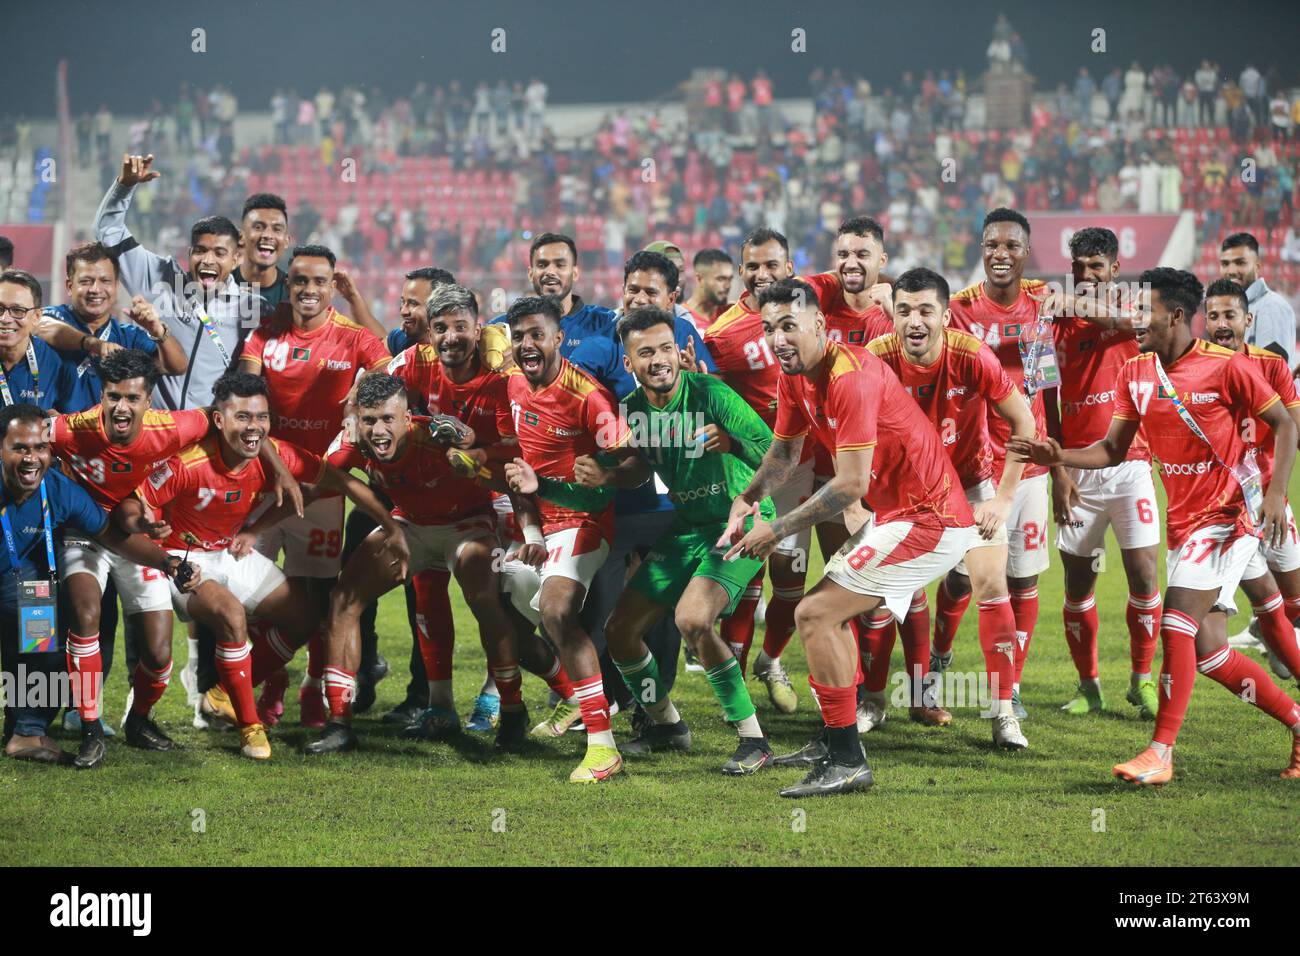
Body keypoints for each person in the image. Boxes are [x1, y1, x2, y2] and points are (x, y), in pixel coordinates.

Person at [1011, 268, 1300, 786]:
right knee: (1211, 651)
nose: (1134, 319)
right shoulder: (1137, 372)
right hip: (1186, 524)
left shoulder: (1226, 368)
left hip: (1231, 515)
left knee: (1177, 624)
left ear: (1175, 315)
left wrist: (1276, 495)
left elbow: (1283, 422)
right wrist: (1059, 455)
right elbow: (1113, 450)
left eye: (1143, 310)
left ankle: (1160, 752)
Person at [724, 278, 977, 797]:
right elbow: (783, 454)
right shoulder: (795, 377)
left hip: (931, 519)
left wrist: (776, 529)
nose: (778, 339)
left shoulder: (851, 376)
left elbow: (851, 484)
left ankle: (846, 758)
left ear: (820, 325)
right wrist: (747, 500)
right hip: (901, 517)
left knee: (814, 613)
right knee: (822, 615)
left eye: (789, 326)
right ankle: (834, 742)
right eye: (770, 328)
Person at [51, 350, 296, 764]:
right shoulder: (71, 428)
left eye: (132, 398)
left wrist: (281, 469)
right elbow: (24, 434)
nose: (121, 407)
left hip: (140, 544)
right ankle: (90, 728)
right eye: (113, 396)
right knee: (86, 610)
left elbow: (241, 416)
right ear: (102, 395)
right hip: (86, 535)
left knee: (160, 652)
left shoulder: (177, 425)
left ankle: (140, 720)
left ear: (150, 402)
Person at [571, 307, 778, 772]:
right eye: (646, 352)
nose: (660, 359)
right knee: (620, 633)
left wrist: (730, 440)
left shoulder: (711, 393)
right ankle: (666, 721)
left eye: (666, 348)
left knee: (692, 619)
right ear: (629, 364)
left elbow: (772, 450)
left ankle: (753, 739)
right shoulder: (634, 412)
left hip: (741, 520)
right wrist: (606, 474)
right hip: (688, 527)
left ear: (678, 352)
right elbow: (641, 466)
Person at [113, 373, 356, 759]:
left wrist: (391, 523)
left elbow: (337, 479)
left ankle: (221, 695)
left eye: (261, 417)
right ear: (219, 419)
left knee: (305, 615)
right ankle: (250, 727)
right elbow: (134, 500)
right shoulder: (185, 461)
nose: (254, 426)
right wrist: (144, 523)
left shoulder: (267, 450)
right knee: (228, 617)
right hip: (181, 557)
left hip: (228, 551)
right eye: (243, 416)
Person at [385, 284, 570, 738]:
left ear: (479, 327)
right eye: (440, 328)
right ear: (429, 333)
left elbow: (520, 444)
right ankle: (442, 706)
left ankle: (506, 699)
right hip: (443, 499)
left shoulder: (502, 369)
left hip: (503, 496)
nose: (451, 337)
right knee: (431, 594)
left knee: (501, 606)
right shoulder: (414, 363)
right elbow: (370, 396)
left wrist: (478, 451)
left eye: (461, 327)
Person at [866, 268, 1035, 747]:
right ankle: (875, 702)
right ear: (892, 315)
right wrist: (865, 501)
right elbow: (851, 431)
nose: (914, 321)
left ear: (944, 315)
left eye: (925, 311)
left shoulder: (971, 355)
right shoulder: (875, 359)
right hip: (904, 491)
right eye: (904, 311)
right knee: (885, 594)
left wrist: (1002, 498)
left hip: (970, 483)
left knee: (990, 582)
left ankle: (1004, 714)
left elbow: (1022, 419)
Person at [236, 244, 391, 727]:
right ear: (289, 284)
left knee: (317, 596)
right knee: (247, 591)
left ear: (331, 287)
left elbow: (390, 374)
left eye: (318, 282)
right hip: (262, 482)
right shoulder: (265, 334)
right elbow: (246, 401)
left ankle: (310, 688)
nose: (307, 290)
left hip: (322, 492)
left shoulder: (352, 336)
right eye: (299, 281)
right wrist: (278, 468)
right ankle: (269, 679)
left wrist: (357, 402)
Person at [0, 403, 195, 765]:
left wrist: (166, 561)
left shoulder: (59, 490)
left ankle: (26, 732)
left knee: (46, 636)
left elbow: (111, 536)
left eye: (40, 447)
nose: (31, 458)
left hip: (20, 575)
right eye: (19, 448)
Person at [499, 295, 631, 783]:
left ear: (559, 338)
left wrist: (597, 477)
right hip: (536, 527)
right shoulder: (511, 385)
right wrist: (530, 530)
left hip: (584, 521)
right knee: (501, 624)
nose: (527, 345)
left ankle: (604, 746)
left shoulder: (587, 396)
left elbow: (630, 467)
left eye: (537, 335)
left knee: (556, 611)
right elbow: (515, 470)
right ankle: (573, 691)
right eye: (519, 337)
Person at [1042, 227, 1163, 719]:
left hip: (1130, 463)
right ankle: (1089, 686)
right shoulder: (1053, 327)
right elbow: (1047, 397)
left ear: (1115, 268)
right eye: (1079, 266)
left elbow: (1130, 315)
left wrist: (1070, 300)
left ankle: (1142, 680)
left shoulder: (1135, 314)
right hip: (1077, 467)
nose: (1088, 275)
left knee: (1143, 573)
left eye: (1097, 267)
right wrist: (1057, 472)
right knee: (1078, 585)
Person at [940, 208, 1053, 718]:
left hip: (1029, 464)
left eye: (1011, 245)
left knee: (1023, 580)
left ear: (1025, 252)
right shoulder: (960, 308)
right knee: (966, 577)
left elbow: (1044, 389)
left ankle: (1012, 686)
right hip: (974, 468)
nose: (1000, 254)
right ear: (980, 249)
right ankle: (939, 658)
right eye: (991, 245)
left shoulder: (1043, 304)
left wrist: (1062, 472)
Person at [703, 228, 810, 715]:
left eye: (772, 265)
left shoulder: (809, 311)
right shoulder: (722, 334)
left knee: (790, 580)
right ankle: (739, 694)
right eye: (753, 266)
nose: (762, 274)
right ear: (742, 270)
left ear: (789, 267)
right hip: (751, 473)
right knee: (747, 582)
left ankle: (772, 660)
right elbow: (713, 403)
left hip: (805, 467)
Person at [95, 154, 264, 412]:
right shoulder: (161, 278)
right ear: (189, 253)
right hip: (156, 427)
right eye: (200, 250)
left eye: (219, 253)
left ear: (236, 258)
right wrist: (124, 187)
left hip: (205, 434)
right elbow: (108, 231)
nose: (207, 260)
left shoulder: (251, 306)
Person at [1202, 279, 1300, 680]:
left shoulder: (1271, 365)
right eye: (1213, 316)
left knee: (1294, 599)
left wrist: (1277, 494)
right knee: (1221, 621)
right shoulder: (1196, 366)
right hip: (1222, 511)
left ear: (1248, 318)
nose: (1221, 324)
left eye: (1230, 315)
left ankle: (1276, 632)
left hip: (1268, 500)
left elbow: (1290, 428)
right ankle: (1271, 631)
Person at [37, 243, 188, 412]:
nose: (95, 289)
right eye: (86, 281)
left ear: (116, 286)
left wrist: (158, 330)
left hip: (113, 435)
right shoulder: (53, 316)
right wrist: (94, 344)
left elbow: (177, 367)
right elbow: (38, 326)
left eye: (105, 281)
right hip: (60, 434)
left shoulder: (129, 337)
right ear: (69, 286)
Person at [489, 233, 617, 358]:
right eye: (542, 265)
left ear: (575, 273)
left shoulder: (605, 324)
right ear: (530, 274)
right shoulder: (502, 329)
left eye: (560, 265)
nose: (550, 271)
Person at [1218, 232, 1297, 370]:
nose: (1231, 271)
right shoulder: (1236, 310)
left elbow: (1273, 372)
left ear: (1257, 266)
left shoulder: (1271, 306)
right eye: (1225, 264)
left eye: (1240, 263)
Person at [683, 249, 734, 333]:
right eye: (721, 279)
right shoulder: (681, 319)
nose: (728, 286)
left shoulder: (732, 313)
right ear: (700, 279)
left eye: (730, 279)